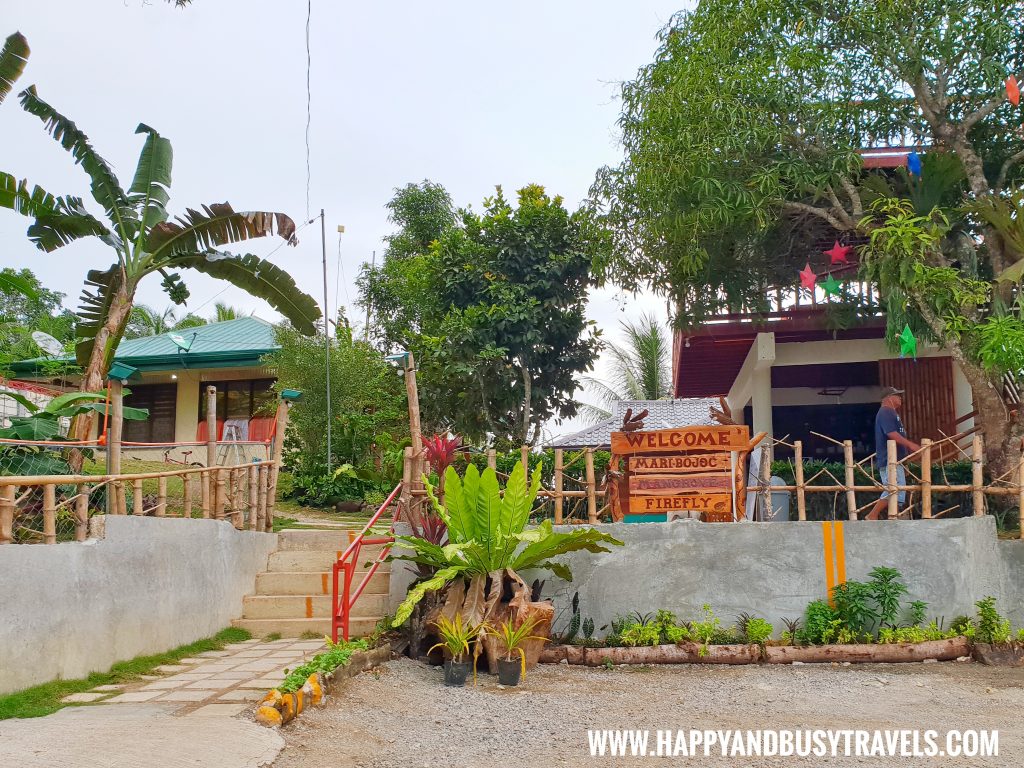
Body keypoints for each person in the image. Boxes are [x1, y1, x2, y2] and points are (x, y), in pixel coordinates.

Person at [865, 387, 920, 520]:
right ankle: (872, 515)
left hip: (896, 459)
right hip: (889, 459)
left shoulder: (891, 413)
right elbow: (891, 433)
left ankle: (892, 516)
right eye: (897, 396)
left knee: (898, 491)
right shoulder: (885, 412)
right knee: (893, 488)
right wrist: (911, 444)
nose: (900, 398)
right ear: (889, 398)